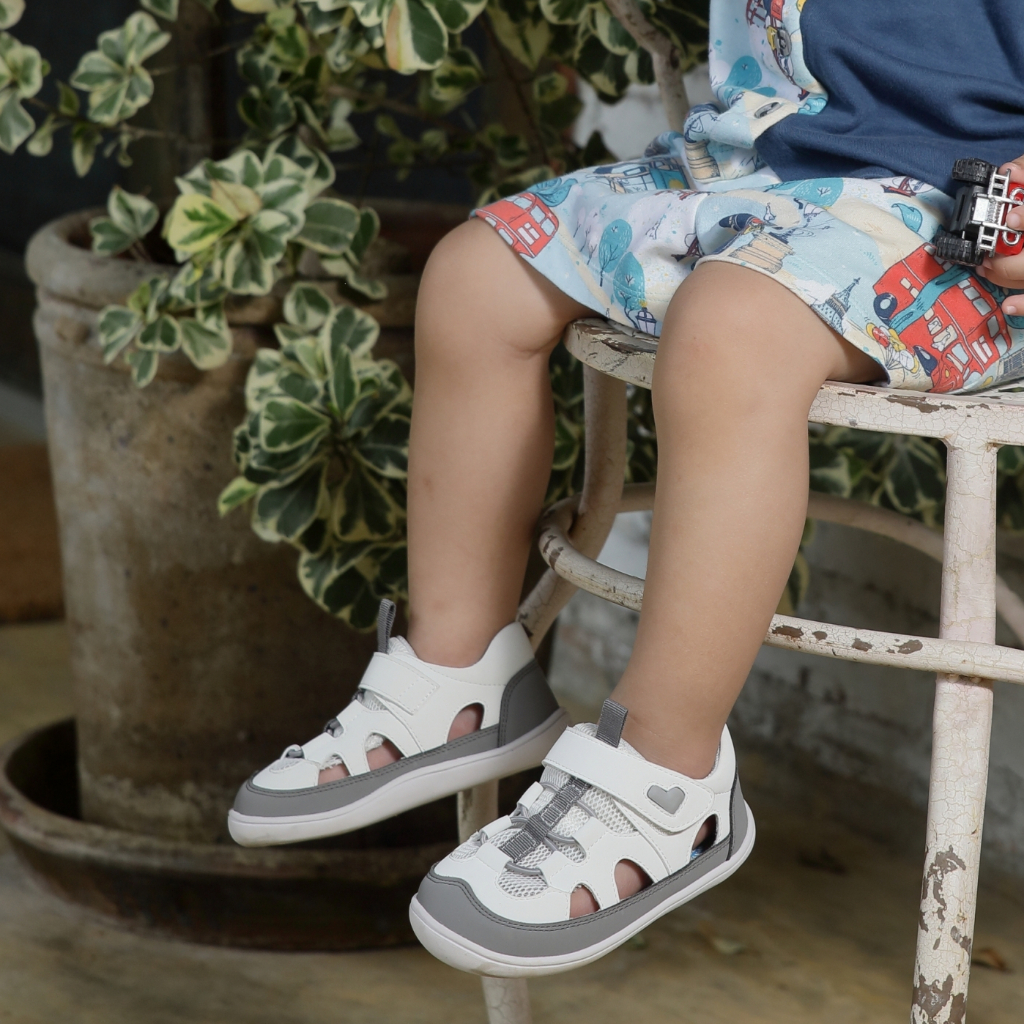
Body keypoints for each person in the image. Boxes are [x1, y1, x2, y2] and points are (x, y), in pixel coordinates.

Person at [227, 0, 1024, 977]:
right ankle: (459, 670)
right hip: (745, 173)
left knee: (730, 336)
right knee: (476, 277)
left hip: (954, 224)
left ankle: (666, 772)